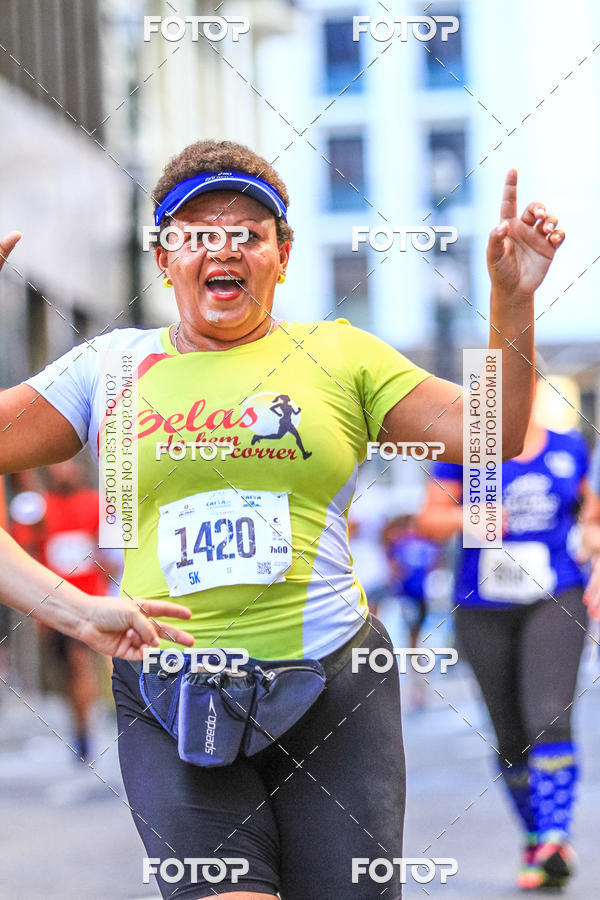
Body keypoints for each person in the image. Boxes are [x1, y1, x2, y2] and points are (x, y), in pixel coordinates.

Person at [0, 140, 564, 899]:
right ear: (164, 257)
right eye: (195, 233)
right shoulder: (108, 369)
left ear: (283, 254)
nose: (221, 250)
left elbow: (491, 438)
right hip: (172, 694)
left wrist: (511, 303)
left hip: (335, 691)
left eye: (247, 233)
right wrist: (69, 607)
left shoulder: (340, 356)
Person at [418, 402, 588, 891]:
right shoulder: (466, 449)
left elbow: (592, 517)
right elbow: (428, 521)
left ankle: (555, 835)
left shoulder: (568, 447)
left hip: (555, 595)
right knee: (510, 734)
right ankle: (536, 838)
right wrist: (469, 518)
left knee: (549, 715)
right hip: (482, 604)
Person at [10, 458, 112, 761]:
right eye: (58, 466)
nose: (64, 471)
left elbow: (109, 550)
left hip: (90, 600)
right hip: (53, 603)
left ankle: (89, 729)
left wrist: (105, 567)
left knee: (82, 664)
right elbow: (26, 550)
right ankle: (79, 725)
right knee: (68, 673)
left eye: (69, 465)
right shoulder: (40, 507)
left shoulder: (93, 503)